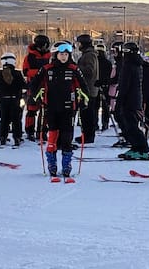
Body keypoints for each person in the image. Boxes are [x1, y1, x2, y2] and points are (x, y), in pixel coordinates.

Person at [28, 42, 87, 181]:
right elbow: (34, 84)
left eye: (66, 54)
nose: (64, 57)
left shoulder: (73, 68)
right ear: (55, 54)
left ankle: (66, 166)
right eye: (61, 54)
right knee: (52, 137)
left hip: (68, 109)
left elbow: (83, 86)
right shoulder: (47, 68)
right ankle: (52, 164)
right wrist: (35, 96)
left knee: (67, 138)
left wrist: (84, 98)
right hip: (51, 108)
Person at [115, 42, 149, 160]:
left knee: (130, 126)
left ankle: (142, 148)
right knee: (129, 125)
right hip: (135, 98)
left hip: (129, 99)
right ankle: (136, 147)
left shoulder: (129, 65)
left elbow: (124, 85)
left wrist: (119, 100)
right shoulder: (137, 63)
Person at [0, 53, 26, 147]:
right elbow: (24, 85)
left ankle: (2, 137)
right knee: (16, 120)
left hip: (3, 100)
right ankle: (17, 138)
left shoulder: (0, 73)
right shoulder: (17, 73)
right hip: (15, 100)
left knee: (4, 119)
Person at [21, 34, 52, 142]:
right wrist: (39, 72)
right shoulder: (29, 57)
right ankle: (29, 131)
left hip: (47, 86)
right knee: (31, 110)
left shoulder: (50, 56)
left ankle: (42, 132)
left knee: (45, 110)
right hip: (33, 86)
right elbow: (25, 71)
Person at [74, 34, 100, 145]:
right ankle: (87, 134)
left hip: (89, 89)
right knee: (85, 114)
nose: (78, 45)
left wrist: (77, 69)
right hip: (88, 88)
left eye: (79, 43)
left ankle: (88, 136)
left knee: (87, 114)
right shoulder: (88, 54)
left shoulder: (89, 55)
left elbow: (89, 71)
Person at [95, 43, 113, 132]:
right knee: (104, 106)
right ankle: (104, 123)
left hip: (99, 85)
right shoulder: (107, 62)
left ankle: (98, 124)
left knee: (97, 106)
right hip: (104, 86)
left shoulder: (97, 62)